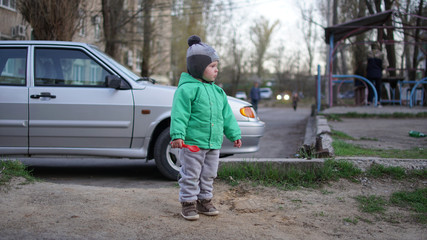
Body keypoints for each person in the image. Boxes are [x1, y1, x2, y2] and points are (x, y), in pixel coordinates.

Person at [170, 35, 242, 221]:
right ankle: (188, 203)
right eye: (212, 66)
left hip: (213, 142)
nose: (216, 70)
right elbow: (180, 114)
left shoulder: (218, 92)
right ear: (198, 66)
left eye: (217, 66)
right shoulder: (186, 90)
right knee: (191, 174)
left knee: (209, 174)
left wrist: (234, 134)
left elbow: (227, 116)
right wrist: (178, 135)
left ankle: (204, 200)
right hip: (193, 143)